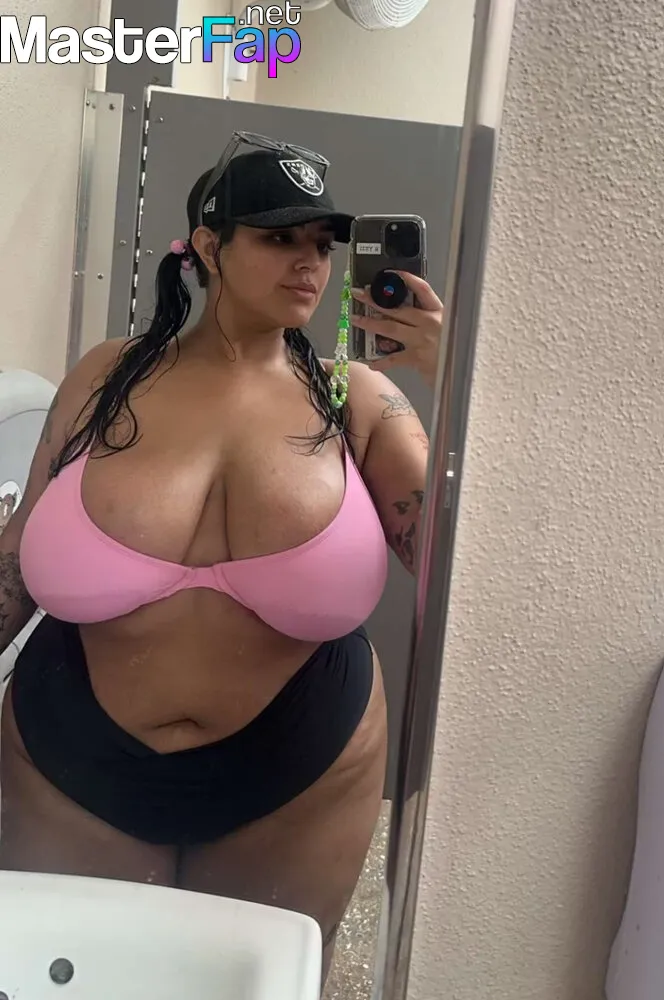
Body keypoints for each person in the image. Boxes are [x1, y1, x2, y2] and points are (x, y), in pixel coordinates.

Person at [0, 135, 443, 986]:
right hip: (70, 750)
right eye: (279, 237)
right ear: (209, 246)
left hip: (297, 763)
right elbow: (16, 558)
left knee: (255, 984)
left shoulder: (357, 400)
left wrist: (454, 374)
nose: (310, 263)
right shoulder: (108, 377)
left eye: (322, 243)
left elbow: (456, 567)